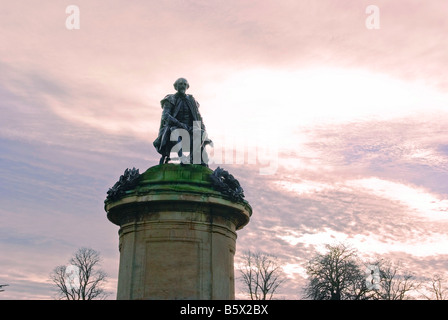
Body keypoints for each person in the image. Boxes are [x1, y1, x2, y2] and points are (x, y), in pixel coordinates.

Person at [153, 78, 212, 166]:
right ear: (175, 86)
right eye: (180, 84)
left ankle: (193, 158)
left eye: (185, 84)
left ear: (187, 87)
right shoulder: (170, 99)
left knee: (201, 133)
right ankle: (182, 157)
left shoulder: (192, 101)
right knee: (175, 132)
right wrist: (180, 124)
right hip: (173, 127)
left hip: (190, 128)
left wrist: (204, 131)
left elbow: (199, 117)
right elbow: (165, 115)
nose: (182, 86)